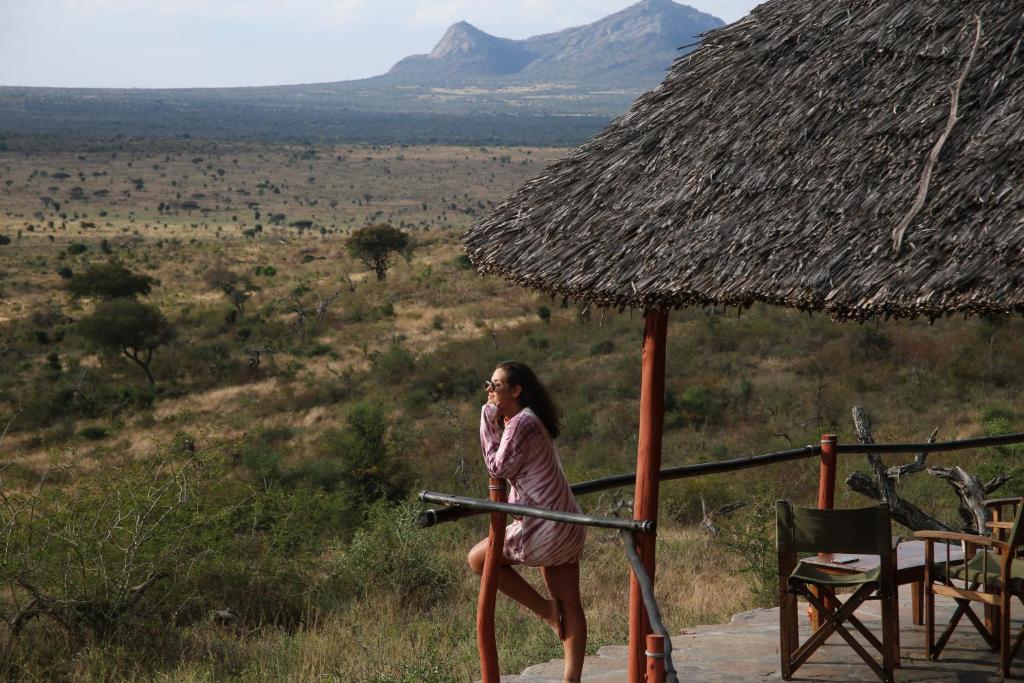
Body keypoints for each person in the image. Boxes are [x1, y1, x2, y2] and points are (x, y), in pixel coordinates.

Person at [467, 361, 587, 682]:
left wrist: (486, 419)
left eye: (495, 385)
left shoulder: (521, 422)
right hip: (566, 520)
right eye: (488, 385)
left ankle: (544, 610)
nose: (490, 391)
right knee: (570, 600)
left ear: (515, 390)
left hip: (543, 525)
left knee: (478, 560)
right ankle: (571, 678)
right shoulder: (530, 420)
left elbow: (497, 467)